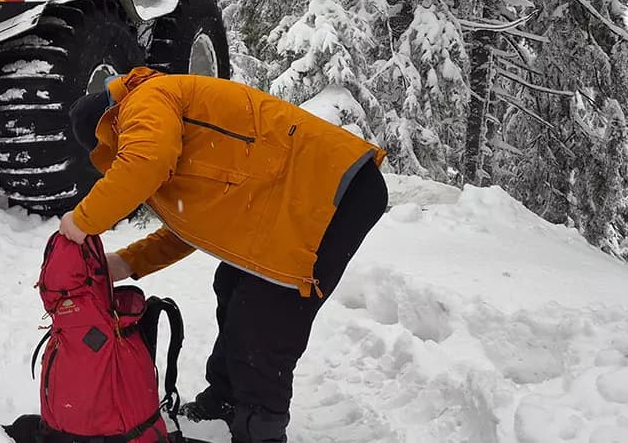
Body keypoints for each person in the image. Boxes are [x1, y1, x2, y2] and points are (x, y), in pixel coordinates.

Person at [60, 67, 388, 443]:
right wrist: (127, 262)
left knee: (266, 317)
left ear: (108, 126)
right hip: (300, 195)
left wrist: (82, 221)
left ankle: (260, 432)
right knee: (232, 285)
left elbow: (145, 161)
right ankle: (226, 400)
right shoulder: (165, 118)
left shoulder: (145, 99)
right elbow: (192, 226)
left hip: (332, 191)